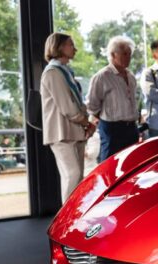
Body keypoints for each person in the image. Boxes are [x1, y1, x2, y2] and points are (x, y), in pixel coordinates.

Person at [40, 32, 95, 203]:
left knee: (77, 177)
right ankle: (65, 221)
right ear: (59, 47)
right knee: (73, 174)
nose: (75, 48)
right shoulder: (53, 73)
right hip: (61, 132)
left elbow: (76, 102)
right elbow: (68, 108)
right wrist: (86, 121)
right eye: (71, 44)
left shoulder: (65, 71)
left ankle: (73, 217)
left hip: (74, 130)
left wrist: (86, 123)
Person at [87, 36, 140, 162]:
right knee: (110, 165)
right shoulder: (102, 76)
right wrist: (105, 118)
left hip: (131, 127)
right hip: (112, 129)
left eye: (130, 54)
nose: (128, 57)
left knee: (131, 164)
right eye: (124, 54)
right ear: (112, 54)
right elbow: (92, 105)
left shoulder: (130, 75)